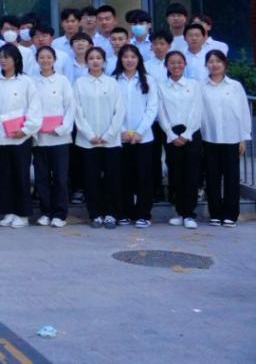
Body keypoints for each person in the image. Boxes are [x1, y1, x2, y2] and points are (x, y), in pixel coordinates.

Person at [0, 44, 42, 228]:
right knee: (3, 176)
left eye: (6, 57)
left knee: (21, 175)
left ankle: (23, 214)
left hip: (20, 137)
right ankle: (8, 211)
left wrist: (26, 130)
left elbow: (34, 108)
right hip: (0, 137)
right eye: (0, 57)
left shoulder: (26, 82)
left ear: (16, 59)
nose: (3, 61)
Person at [74, 47, 126, 229]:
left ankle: (111, 213)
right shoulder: (79, 83)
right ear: (86, 62)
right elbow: (77, 111)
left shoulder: (112, 83)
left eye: (98, 58)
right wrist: (89, 135)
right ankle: (95, 214)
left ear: (104, 61)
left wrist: (109, 134)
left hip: (110, 142)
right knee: (91, 179)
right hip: (87, 142)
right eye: (91, 58)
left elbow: (119, 111)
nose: (95, 61)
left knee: (113, 178)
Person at [199, 50, 251, 228]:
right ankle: (215, 213)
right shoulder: (201, 87)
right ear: (206, 65)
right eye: (211, 61)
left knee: (231, 177)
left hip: (232, 138)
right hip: (209, 137)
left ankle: (230, 214)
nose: (214, 65)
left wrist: (243, 138)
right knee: (212, 177)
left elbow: (243, 112)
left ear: (224, 64)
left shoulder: (235, 86)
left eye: (218, 61)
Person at [113, 44, 159, 228]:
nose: (129, 60)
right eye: (125, 57)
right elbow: (112, 109)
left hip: (144, 137)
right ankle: (124, 212)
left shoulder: (148, 80)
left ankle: (143, 214)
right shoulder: (114, 80)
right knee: (123, 176)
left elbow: (152, 108)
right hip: (120, 137)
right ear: (120, 60)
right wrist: (122, 130)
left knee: (144, 177)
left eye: (133, 57)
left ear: (139, 59)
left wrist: (140, 131)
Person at [157, 51, 203, 229]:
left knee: (191, 174)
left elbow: (197, 110)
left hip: (191, 133)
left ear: (185, 64)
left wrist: (187, 133)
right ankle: (178, 211)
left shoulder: (194, 85)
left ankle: (189, 214)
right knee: (175, 174)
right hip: (171, 134)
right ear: (166, 66)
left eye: (179, 62)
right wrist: (170, 133)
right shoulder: (161, 86)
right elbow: (161, 112)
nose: (176, 66)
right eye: (172, 62)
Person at [32, 46, 75, 228]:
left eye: (49, 57)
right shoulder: (32, 81)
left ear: (54, 60)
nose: (45, 60)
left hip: (59, 138)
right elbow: (29, 107)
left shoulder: (62, 81)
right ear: (37, 60)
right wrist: (33, 128)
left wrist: (62, 128)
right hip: (39, 138)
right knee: (41, 178)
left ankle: (60, 213)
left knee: (60, 178)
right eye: (42, 57)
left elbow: (70, 107)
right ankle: (46, 212)